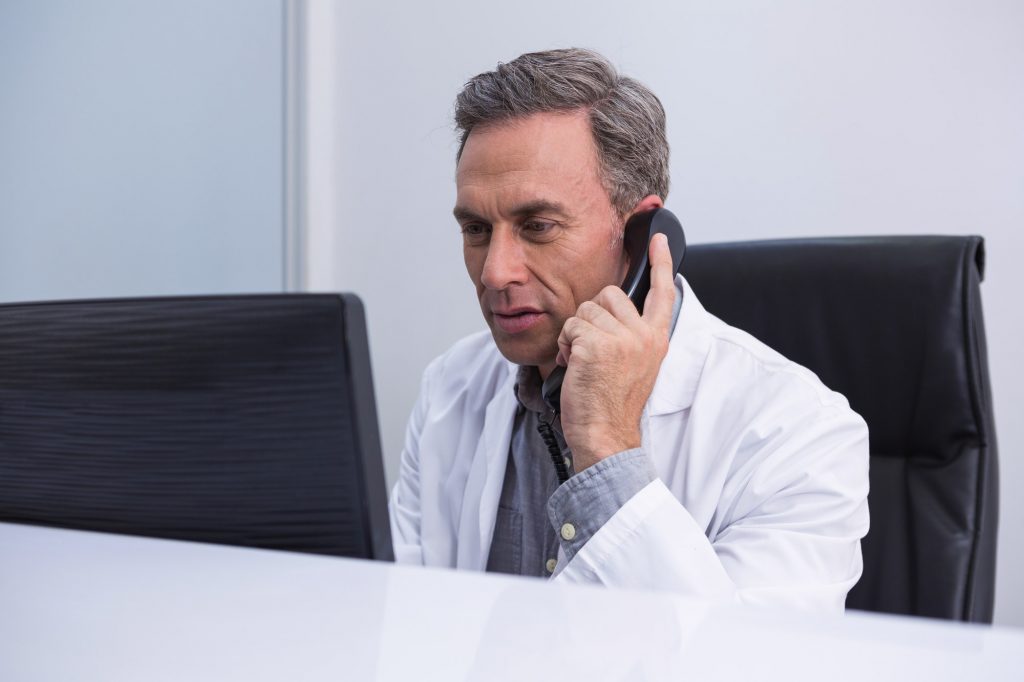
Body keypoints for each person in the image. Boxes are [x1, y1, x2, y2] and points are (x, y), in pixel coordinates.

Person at [389, 48, 869, 613]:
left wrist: (608, 448)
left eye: (538, 226)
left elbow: (748, 664)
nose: (495, 272)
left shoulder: (798, 432)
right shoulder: (450, 388)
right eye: (475, 228)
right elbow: (413, 627)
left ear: (641, 236)